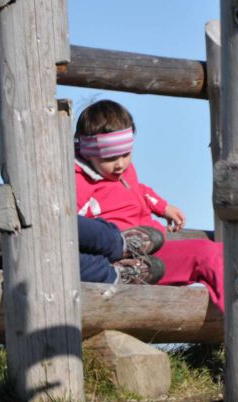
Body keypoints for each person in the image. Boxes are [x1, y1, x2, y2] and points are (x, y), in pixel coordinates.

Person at [74, 99, 225, 311]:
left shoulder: (124, 172)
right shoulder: (79, 182)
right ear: (89, 154)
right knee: (205, 255)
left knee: (214, 252)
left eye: (125, 155)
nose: (120, 164)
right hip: (124, 258)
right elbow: (75, 227)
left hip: (150, 252)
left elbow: (139, 190)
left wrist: (162, 207)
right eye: (110, 158)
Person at [0, 174, 166, 285]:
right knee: (51, 226)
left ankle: (113, 273)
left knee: (45, 256)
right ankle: (118, 244)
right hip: (20, 222)